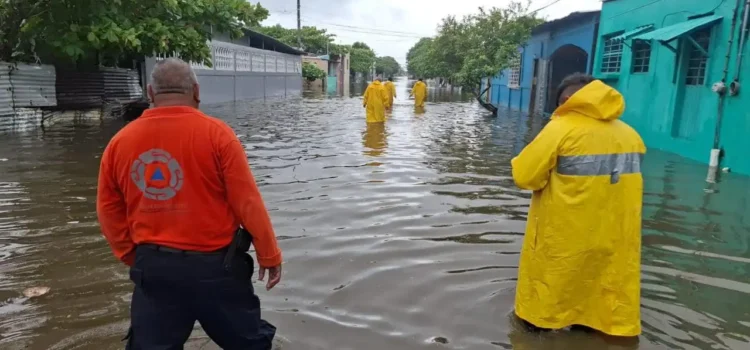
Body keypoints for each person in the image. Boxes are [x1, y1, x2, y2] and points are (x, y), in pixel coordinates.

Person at [96, 58, 283, 349]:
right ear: (196, 90)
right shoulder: (218, 135)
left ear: (150, 92)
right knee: (250, 344)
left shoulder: (120, 142)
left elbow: (108, 210)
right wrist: (269, 254)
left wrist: (132, 256)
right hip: (218, 269)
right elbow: (247, 201)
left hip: (155, 271)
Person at [511, 73, 645, 337]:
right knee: (600, 303)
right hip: (615, 236)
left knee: (543, 311)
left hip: (565, 236)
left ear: (568, 99)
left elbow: (525, 177)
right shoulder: (630, 135)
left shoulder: (561, 129)